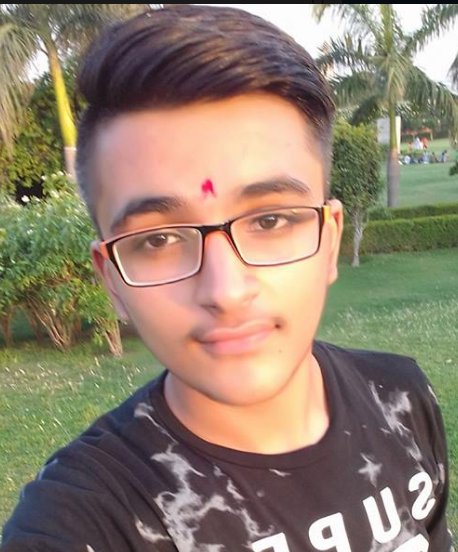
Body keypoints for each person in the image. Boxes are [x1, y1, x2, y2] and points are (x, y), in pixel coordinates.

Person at [1, 6, 452, 552]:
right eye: (158, 240)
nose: (226, 291)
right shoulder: (90, 518)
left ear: (330, 241)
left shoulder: (402, 399)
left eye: (270, 221)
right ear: (112, 280)